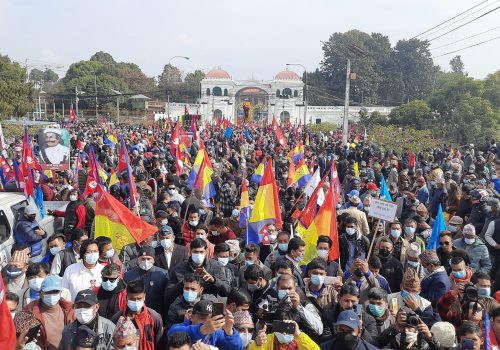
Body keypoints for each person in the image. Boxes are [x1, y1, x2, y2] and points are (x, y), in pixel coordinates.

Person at [165, 238, 231, 308]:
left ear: (206, 252)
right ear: (190, 252)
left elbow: (227, 291)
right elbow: (168, 296)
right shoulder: (179, 269)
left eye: (201, 252)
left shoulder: (215, 266)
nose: (198, 255)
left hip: (209, 308)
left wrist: (213, 280)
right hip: (185, 309)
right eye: (195, 252)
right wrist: (183, 284)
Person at [24, 275, 75, 350]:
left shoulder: (70, 309)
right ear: (41, 293)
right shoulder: (30, 311)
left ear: (60, 292)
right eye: (48, 292)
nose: (52, 295)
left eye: (55, 291)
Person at [167, 300, 243, 349]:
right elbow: (172, 333)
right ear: (192, 316)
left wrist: (229, 332)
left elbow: (238, 348)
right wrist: (201, 329)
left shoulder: (216, 333)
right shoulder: (181, 327)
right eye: (202, 318)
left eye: (210, 318)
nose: (208, 322)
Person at [110, 280, 163, 350]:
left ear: (144, 297)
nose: (136, 302)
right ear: (126, 297)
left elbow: (159, 343)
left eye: (139, 298)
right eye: (132, 299)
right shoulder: (117, 319)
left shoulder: (154, 318)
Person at [275, 273, 324, 340]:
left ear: (295, 288)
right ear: (277, 288)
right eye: (283, 288)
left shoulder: (305, 304)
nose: (287, 291)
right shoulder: (271, 303)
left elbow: (319, 329)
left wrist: (298, 307)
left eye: (289, 288)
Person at [124, 245, 169, 316]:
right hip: (134, 313)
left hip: (156, 313)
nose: (145, 261)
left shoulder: (163, 274)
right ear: (138, 259)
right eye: (143, 259)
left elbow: (166, 296)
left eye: (148, 259)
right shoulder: (128, 275)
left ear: (153, 259)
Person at [251, 305, 319, 350]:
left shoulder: (301, 340)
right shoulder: (267, 340)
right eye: (281, 327)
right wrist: (257, 345)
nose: (284, 333)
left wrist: (299, 335)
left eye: (287, 328)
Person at [377, 306, 442, 350]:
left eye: (409, 327)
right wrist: (394, 327)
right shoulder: (390, 341)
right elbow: (377, 344)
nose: (406, 330)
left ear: (417, 326)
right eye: (402, 327)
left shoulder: (424, 343)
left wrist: (430, 337)